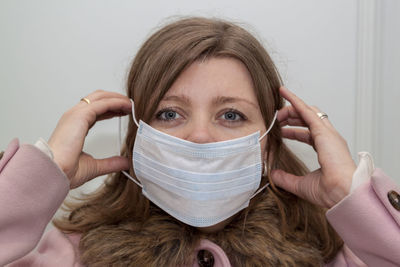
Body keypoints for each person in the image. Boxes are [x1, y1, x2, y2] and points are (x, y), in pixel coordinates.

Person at [0, 17, 399, 267]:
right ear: (138, 135)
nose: (201, 136)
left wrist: (350, 192)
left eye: (231, 115)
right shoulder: (60, 257)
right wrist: (43, 171)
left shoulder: (341, 257)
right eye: (169, 113)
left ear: (269, 142)